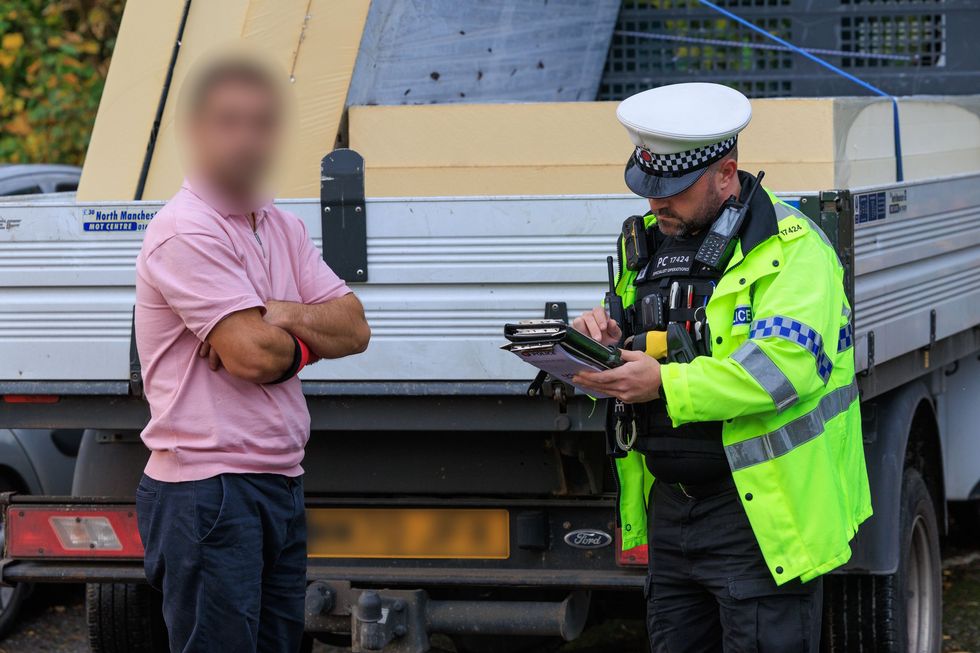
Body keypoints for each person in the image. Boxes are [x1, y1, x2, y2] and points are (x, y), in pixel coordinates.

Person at [572, 82, 871, 652]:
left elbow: (783, 369)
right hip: (673, 510)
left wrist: (662, 382)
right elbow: (646, 345)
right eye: (648, 187)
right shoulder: (649, 246)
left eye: (675, 190)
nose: (658, 203)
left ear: (727, 172)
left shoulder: (793, 251)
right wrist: (603, 348)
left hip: (761, 514)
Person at [134, 54, 370, 653]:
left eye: (261, 124)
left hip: (277, 481)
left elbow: (356, 328)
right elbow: (253, 358)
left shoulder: (281, 227)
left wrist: (281, 312)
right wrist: (292, 334)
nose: (246, 139)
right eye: (228, 122)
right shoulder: (186, 230)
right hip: (207, 491)